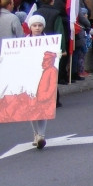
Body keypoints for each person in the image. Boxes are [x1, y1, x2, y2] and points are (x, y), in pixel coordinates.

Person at [25, 14, 57, 148]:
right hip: (30, 77)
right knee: (31, 109)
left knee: (43, 108)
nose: (37, 28)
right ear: (30, 27)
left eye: (39, 25)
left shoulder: (49, 41)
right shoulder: (24, 42)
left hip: (44, 78)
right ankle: (35, 134)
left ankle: (42, 136)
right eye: (34, 25)